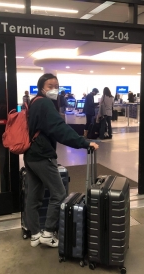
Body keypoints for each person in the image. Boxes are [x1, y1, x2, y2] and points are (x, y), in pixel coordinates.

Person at [24, 73, 99, 248]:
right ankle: (48, 233)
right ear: (41, 86)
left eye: (56, 86)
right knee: (59, 194)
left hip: (30, 155)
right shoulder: (44, 104)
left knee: (33, 197)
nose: (54, 89)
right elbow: (60, 129)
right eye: (50, 86)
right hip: (42, 156)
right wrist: (84, 142)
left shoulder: (33, 102)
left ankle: (35, 234)